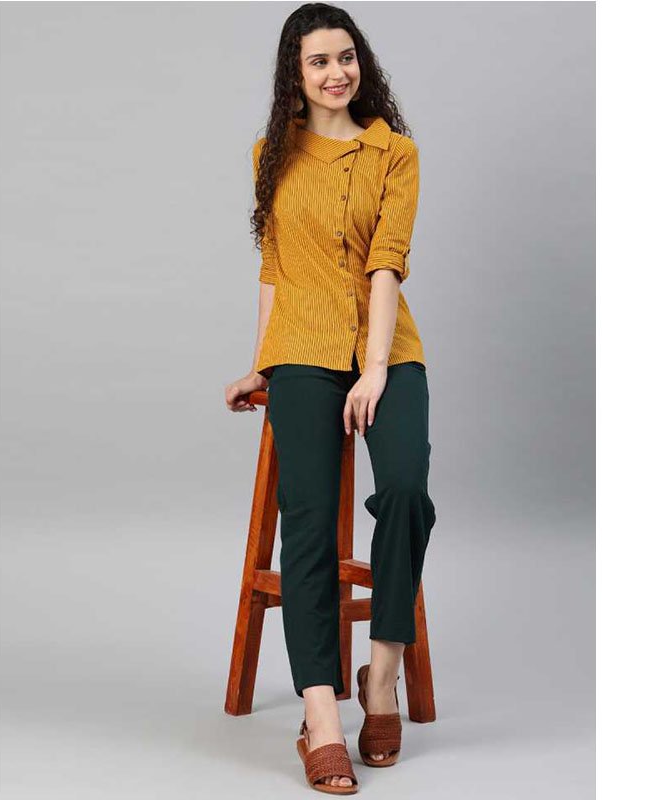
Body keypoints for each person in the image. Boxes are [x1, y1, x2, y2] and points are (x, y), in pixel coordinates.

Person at [225, 3, 436, 793]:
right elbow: (274, 268)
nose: (337, 72)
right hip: (302, 351)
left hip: (386, 348)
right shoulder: (272, 154)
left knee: (407, 489)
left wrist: (375, 369)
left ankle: (380, 678)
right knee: (309, 518)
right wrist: (261, 364)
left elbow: (387, 263)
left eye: (346, 57)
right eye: (319, 61)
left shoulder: (395, 153)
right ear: (296, 73)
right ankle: (319, 713)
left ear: (361, 63)